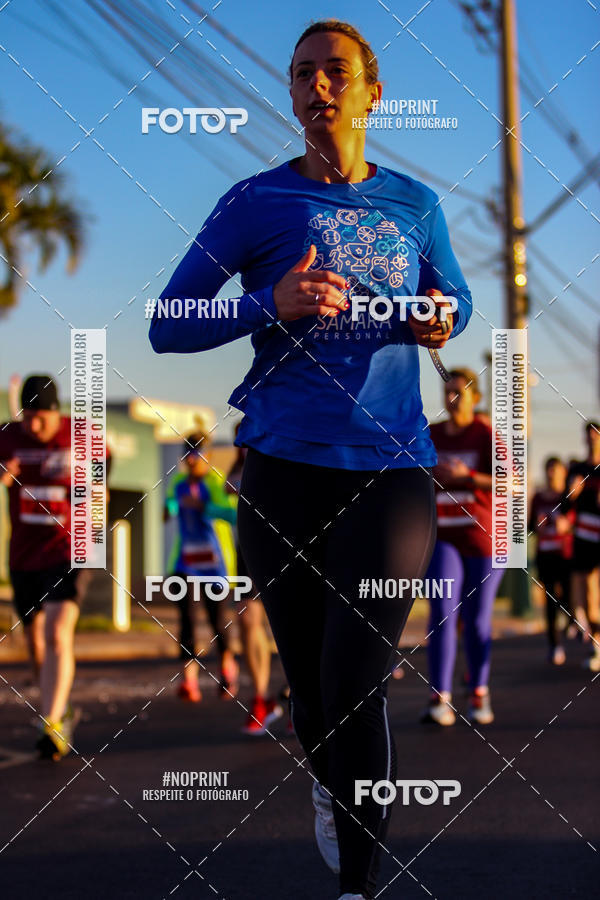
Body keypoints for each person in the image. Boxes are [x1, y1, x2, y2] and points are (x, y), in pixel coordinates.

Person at [150, 20, 472, 900]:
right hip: (281, 466)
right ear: (291, 94)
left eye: (335, 71)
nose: (316, 85)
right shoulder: (253, 202)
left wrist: (442, 314)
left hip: (389, 468)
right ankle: (334, 785)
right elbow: (167, 323)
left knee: (354, 681)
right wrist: (269, 301)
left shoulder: (415, 203)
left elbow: (455, 292)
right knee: (313, 694)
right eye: (301, 73)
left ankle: (359, 885)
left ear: (372, 90)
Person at [0, 375, 100, 759]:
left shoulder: (83, 435)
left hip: (69, 552)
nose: (33, 426)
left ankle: (52, 723)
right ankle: (60, 707)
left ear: (57, 413)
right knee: (38, 645)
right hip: (25, 556)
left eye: (41, 418)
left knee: (59, 632)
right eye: (27, 417)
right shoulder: (7, 438)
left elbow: (101, 480)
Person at [421, 368, 503, 727]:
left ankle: (479, 692)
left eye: (459, 392)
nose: (451, 399)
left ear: (475, 398)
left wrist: (467, 477)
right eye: (447, 391)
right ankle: (440, 699)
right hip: (443, 537)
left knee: (477, 622)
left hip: (484, 539)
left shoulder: (485, 433)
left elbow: (511, 484)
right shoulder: (432, 434)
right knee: (441, 612)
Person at [165, 429, 239, 701]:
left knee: (217, 620)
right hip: (185, 562)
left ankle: (227, 670)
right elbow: (171, 503)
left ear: (207, 456)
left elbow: (233, 514)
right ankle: (190, 679)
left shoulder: (216, 482)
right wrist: (170, 507)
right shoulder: (178, 482)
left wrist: (204, 506)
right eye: (186, 455)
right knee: (187, 621)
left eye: (196, 454)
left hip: (215, 565)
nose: (191, 460)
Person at [225, 425, 284, 734]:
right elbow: (221, 502)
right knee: (248, 618)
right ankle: (262, 698)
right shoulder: (236, 464)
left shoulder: (288, 431)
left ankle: (296, 698)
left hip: (288, 544)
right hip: (248, 549)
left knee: (291, 622)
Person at [561, 421, 600, 671]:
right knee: (583, 591)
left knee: (594, 589)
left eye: (596, 436)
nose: (592, 439)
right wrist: (571, 495)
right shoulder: (577, 469)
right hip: (584, 537)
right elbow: (564, 508)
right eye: (589, 436)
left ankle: (596, 645)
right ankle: (593, 640)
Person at [529, 457, 574, 664]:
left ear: (563, 473)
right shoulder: (538, 497)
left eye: (555, 470)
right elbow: (530, 525)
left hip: (565, 555)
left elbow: (578, 521)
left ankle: (572, 622)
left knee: (568, 595)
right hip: (545, 555)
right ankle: (554, 646)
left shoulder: (568, 497)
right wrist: (535, 527)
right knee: (549, 600)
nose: (551, 474)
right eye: (548, 470)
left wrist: (568, 527)